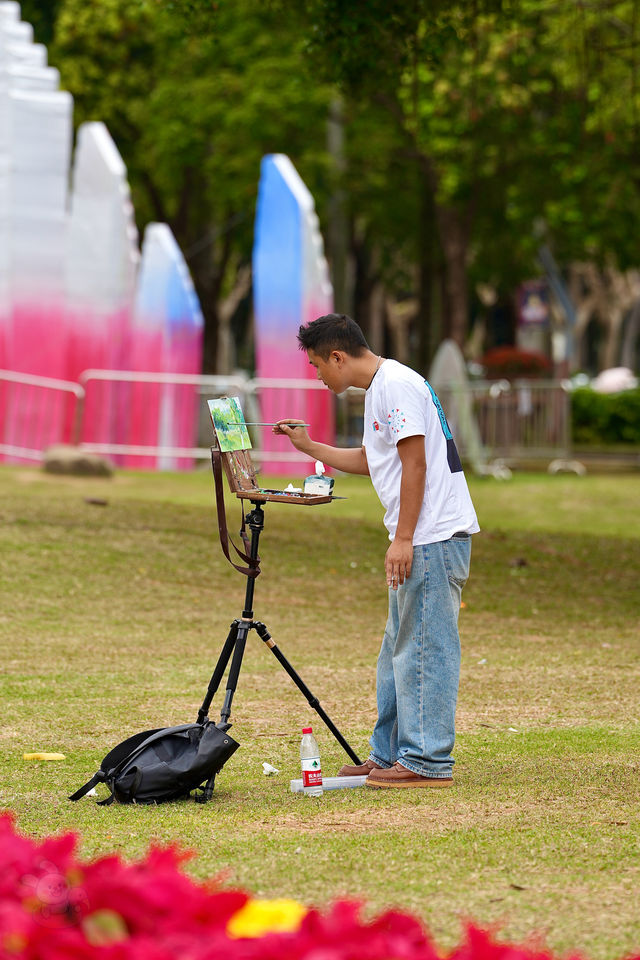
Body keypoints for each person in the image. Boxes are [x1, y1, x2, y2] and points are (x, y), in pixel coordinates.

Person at [274, 314, 479, 789]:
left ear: (338, 357)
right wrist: (310, 446)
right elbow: (372, 460)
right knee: (397, 651)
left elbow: (415, 462)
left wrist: (403, 537)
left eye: (317, 365)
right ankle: (387, 755)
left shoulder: (397, 385)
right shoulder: (380, 389)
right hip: (418, 537)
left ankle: (426, 761)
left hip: (431, 538)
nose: (318, 376)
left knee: (425, 648)